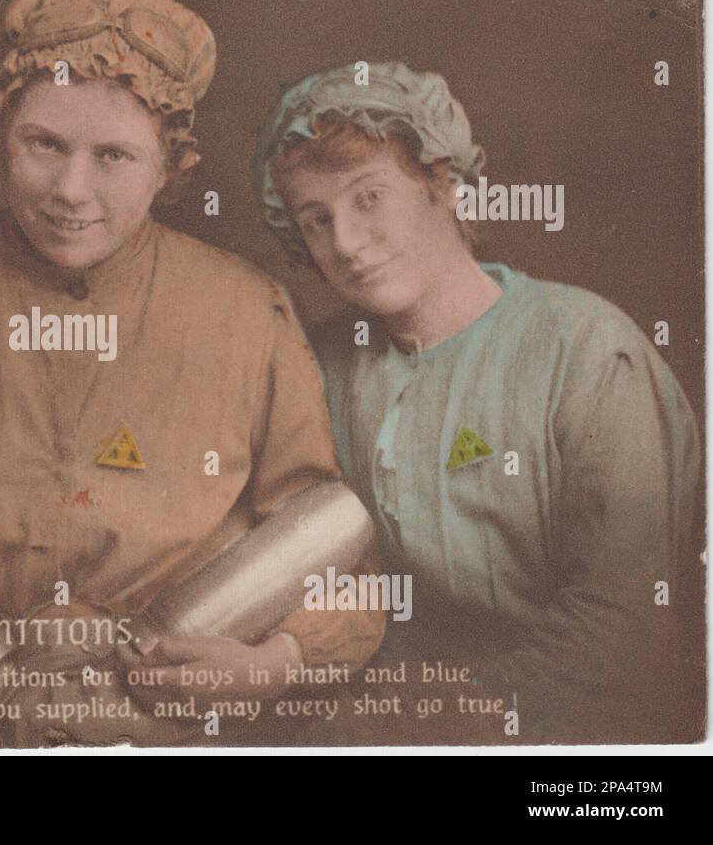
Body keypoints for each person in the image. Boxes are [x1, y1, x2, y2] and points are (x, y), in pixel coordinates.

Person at [0, 0, 385, 745]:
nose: (72, 191)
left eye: (113, 156)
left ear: (171, 166)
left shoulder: (246, 311)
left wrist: (275, 662)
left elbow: (334, 553)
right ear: (1, 132)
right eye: (44, 144)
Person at [254, 61, 701, 740]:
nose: (344, 242)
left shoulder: (584, 351)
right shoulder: (317, 366)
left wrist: (404, 730)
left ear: (444, 184)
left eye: (368, 197)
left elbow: (621, 629)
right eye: (316, 220)